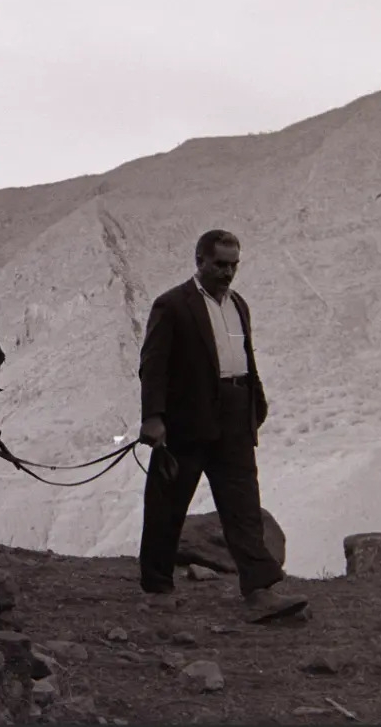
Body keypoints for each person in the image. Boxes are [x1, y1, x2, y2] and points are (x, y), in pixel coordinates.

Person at [136, 229, 308, 622]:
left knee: (244, 507)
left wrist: (255, 404)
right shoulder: (172, 305)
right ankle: (157, 587)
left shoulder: (239, 305)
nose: (228, 273)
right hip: (186, 419)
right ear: (199, 261)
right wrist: (153, 418)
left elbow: (243, 356)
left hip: (235, 418)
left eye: (233, 265)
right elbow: (153, 365)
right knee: (168, 504)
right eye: (220, 264)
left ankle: (260, 589)